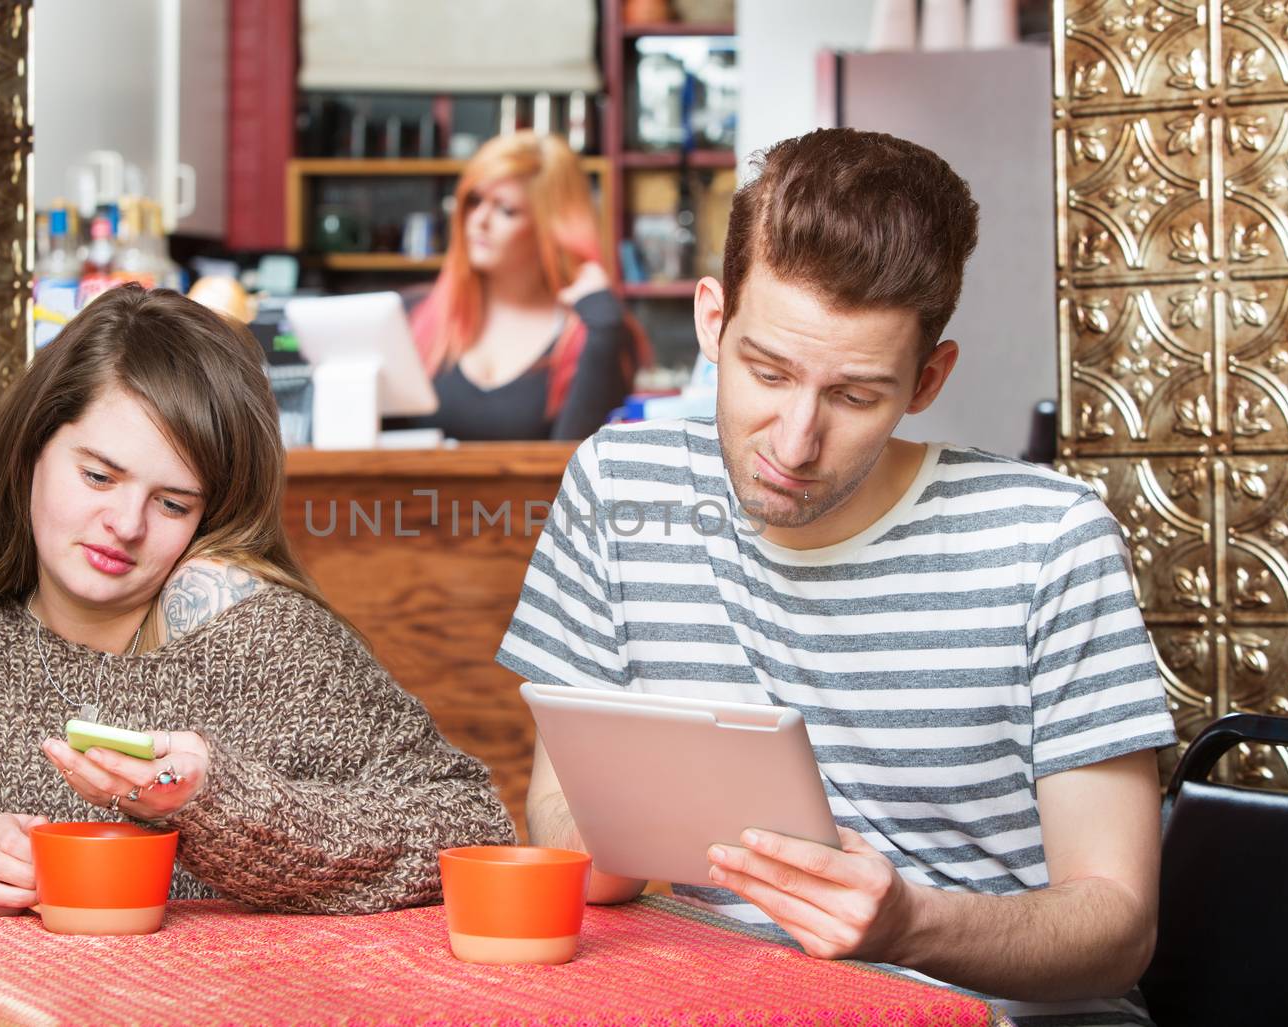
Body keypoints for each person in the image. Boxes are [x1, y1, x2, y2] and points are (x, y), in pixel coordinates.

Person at [497, 129, 1176, 1027]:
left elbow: (1119, 926)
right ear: (712, 320)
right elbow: (564, 815)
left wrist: (912, 924)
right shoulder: (620, 487)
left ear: (927, 379)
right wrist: (605, 835)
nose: (793, 443)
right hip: (724, 1006)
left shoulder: (1049, 539)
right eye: (766, 371)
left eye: (855, 396)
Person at [0, 284, 515, 917]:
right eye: (98, 474)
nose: (126, 523)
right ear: (29, 452)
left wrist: (216, 805)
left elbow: (473, 826)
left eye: (172, 502)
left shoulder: (263, 643)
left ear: (210, 514)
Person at [407, 131, 650, 441]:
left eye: (505, 210)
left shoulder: (594, 331)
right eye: (474, 200)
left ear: (551, 226)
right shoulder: (412, 318)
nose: (478, 220)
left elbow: (580, 472)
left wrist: (604, 327)